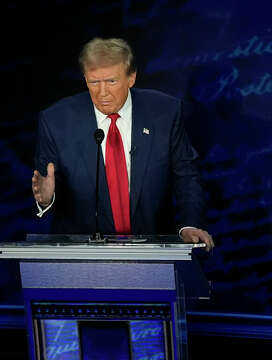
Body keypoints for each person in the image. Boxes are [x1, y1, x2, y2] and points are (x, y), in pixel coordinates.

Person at [30, 37, 214, 249]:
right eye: (94, 82)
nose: (102, 93)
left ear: (131, 77)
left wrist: (189, 225)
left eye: (111, 81)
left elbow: (186, 176)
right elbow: (46, 188)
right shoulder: (56, 121)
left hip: (153, 249)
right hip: (84, 257)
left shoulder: (165, 112)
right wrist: (46, 199)